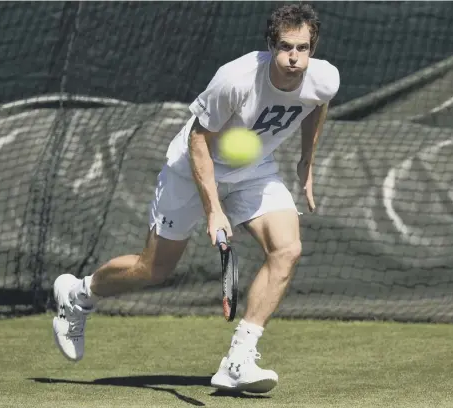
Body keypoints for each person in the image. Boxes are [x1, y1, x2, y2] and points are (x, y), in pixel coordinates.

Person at [52, 3, 339, 394]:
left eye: (303, 48)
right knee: (154, 268)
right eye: (286, 46)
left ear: (313, 46)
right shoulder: (235, 79)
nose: (294, 57)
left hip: (253, 169)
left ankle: (238, 359)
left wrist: (307, 159)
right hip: (192, 169)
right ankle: (79, 294)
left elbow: (316, 105)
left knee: (287, 249)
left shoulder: (324, 78)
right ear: (272, 45)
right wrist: (215, 211)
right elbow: (198, 140)